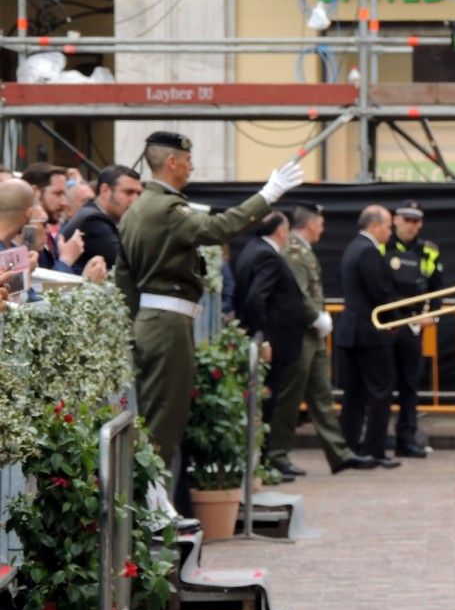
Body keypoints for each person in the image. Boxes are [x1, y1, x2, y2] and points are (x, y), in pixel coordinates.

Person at [115, 131, 303, 473]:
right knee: (164, 420)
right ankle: (154, 511)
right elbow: (217, 229)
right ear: (171, 162)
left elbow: (124, 279)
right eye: (187, 161)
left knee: (157, 414)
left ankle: (154, 506)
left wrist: (130, 329)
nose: (192, 167)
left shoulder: (135, 211)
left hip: (152, 322)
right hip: (167, 323)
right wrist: (268, 194)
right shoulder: (167, 208)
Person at [272, 204, 376, 474]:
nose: (323, 227)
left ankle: (339, 453)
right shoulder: (294, 251)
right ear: (310, 223)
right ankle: (277, 454)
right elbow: (299, 293)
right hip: (300, 332)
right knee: (291, 397)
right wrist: (315, 318)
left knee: (321, 395)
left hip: (312, 334)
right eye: (321, 222)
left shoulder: (302, 249)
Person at [233, 211, 308, 481]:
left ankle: (261, 465)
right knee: (268, 404)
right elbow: (255, 299)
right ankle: (262, 467)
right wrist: (263, 338)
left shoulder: (252, 250)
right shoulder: (267, 255)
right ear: (280, 231)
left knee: (265, 403)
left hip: (269, 340)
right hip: (273, 343)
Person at [335, 204, 401, 468]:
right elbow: (380, 293)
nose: (390, 232)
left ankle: (350, 448)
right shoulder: (368, 251)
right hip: (370, 333)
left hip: (352, 332)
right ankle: (374, 450)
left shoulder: (352, 248)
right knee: (380, 392)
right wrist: (397, 320)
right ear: (374, 226)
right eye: (388, 226)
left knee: (354, 394)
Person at [383, 200, 443, 458]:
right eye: (406, 220)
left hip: (412, 325)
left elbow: (438, 290)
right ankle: (380, 437)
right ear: (395, 220)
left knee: (409, 384)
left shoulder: (429, 251)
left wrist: (433, 317)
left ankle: (406, 439)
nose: (411, 225)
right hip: (384, 325)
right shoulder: (381, 246)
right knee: (382, 384)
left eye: (416, 221)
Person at [21, 162, 104, 280]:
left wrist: (90, 272)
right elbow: (38, 289)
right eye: (58, 193)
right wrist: (66, 260)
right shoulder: (22, 238)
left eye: (65, 194)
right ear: (35, 193)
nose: (64, 203)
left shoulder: (50, 236)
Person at [62, 165, 143, 271]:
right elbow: (131, 263)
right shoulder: (93, 220)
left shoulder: (94, 212)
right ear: (105, 191)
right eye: (129, 192)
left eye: (138, 194)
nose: (135, 200)